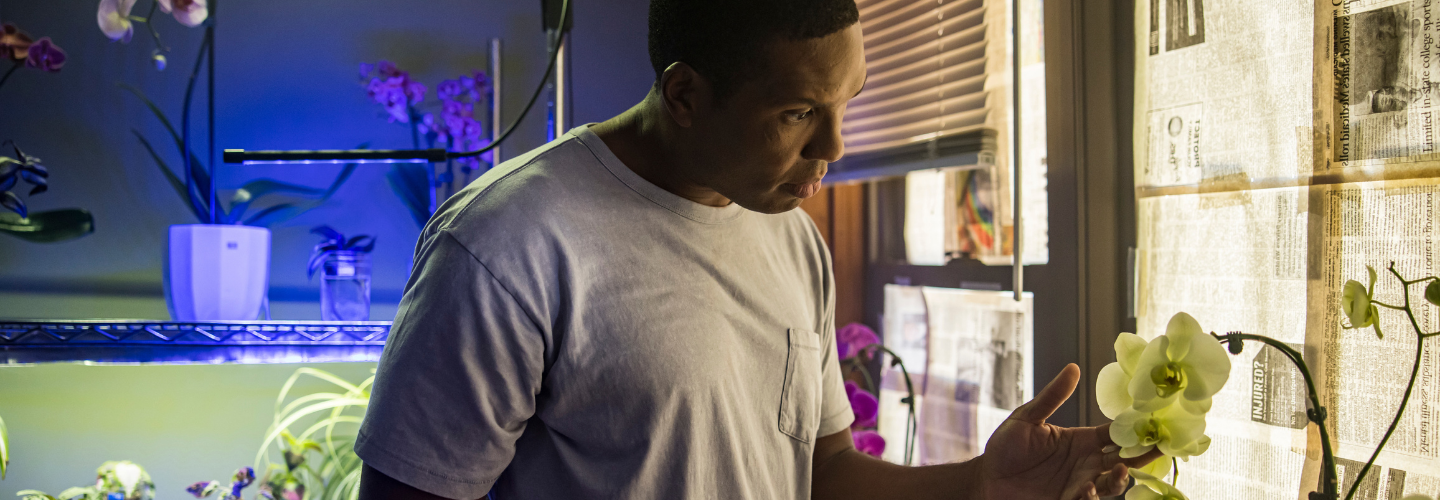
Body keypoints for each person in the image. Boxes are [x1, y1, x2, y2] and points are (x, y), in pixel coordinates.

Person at [354, 0, 1160, 498]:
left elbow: (823, 473)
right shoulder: (506, 244)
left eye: (847, 102)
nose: (837, 146)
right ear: (684, 95)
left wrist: (978, 484)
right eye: (798, 113)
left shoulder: (791, 235)